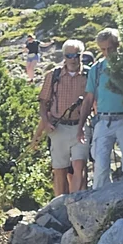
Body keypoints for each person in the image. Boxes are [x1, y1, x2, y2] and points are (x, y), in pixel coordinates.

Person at [87, 25, 123, 186]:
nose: (107, 53)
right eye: (103, 49)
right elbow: (89, 98)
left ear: (118, 45)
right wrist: (81, 124)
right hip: (103, 121)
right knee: (100, 167)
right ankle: (99, 198)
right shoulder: (96, 69)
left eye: (110, 48)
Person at [38, 39, 92, 196]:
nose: (73, 59)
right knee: (60, 170)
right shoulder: (53, 75)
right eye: (69, 56)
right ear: (64, 56)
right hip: (59, 128)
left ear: (81, 55)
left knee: (80, 166)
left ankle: (76, 202)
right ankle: (60, 204)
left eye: (76, 55)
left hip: (81, 126)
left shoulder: (89, 75)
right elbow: (43, 102)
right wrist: (46, 123)